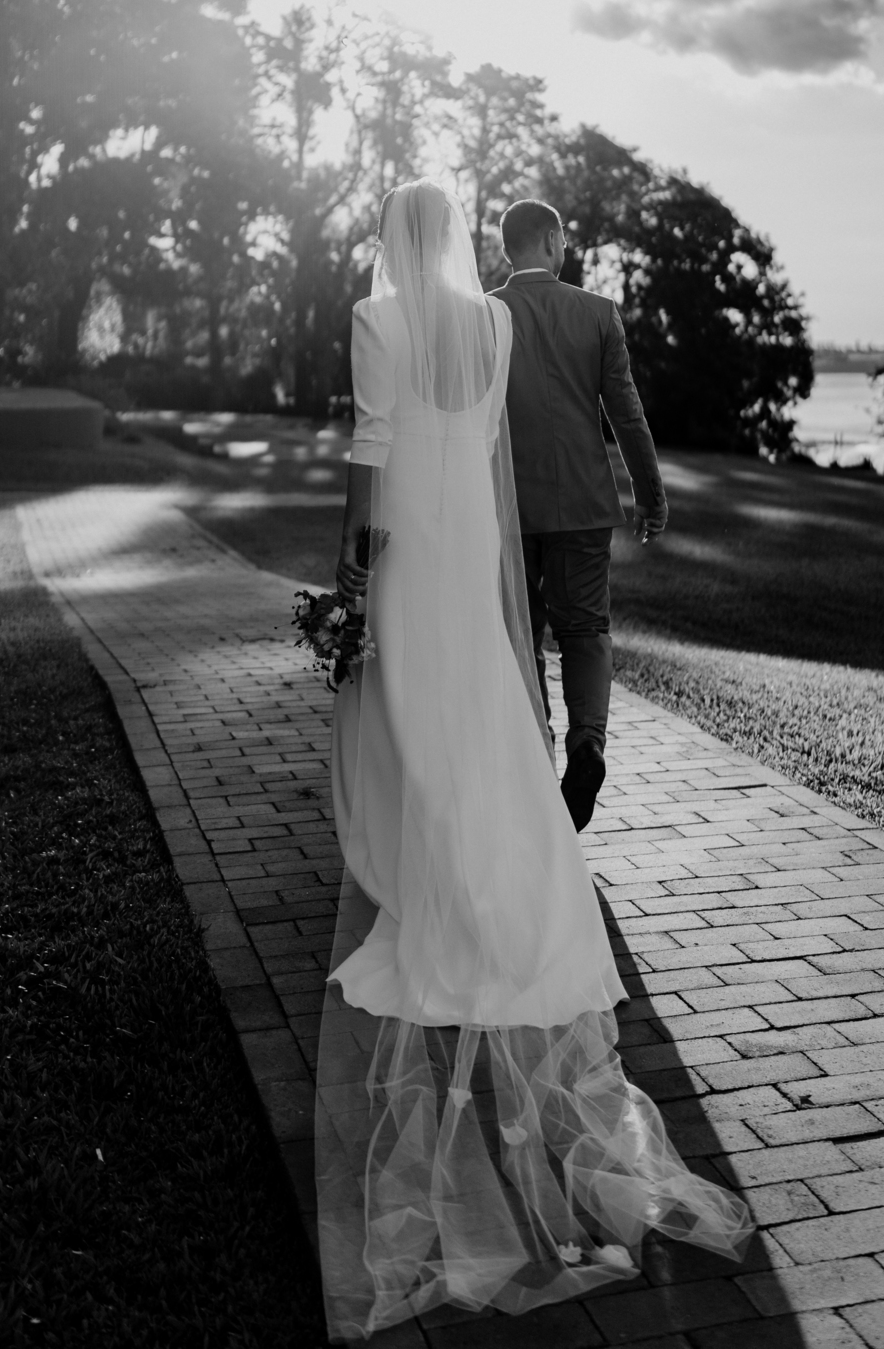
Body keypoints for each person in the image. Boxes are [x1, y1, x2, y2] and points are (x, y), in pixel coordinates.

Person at [316, 180, 750, 1343]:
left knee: (416, 706)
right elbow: (526, 435)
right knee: (496, 699)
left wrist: (349, 561)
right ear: (478, 240)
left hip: (413, 531)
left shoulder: (387, 317)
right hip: (476, 534)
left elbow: (370, 445)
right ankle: (521, 840)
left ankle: (439, 879)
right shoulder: (499, 322)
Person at [490, 199, 667, 831]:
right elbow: (627, 412)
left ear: (509, 248)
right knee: (586, 631)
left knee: (521, 635)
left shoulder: (482, 315)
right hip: (584, 506)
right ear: (552, 240)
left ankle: (536, 755)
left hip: (505, 508)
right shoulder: (597, 314)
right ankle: (587, 742)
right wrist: (650, 492)